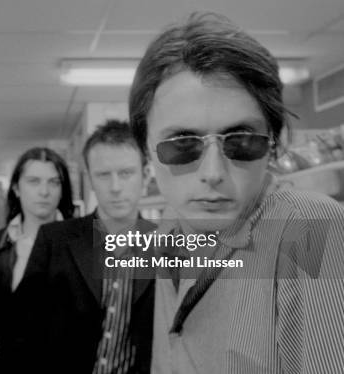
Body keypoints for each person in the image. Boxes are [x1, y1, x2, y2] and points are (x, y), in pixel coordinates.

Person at [128, 12, 344, 373]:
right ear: (145, 150)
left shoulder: (311, 231)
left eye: (242, 141)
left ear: (271, 145)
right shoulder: (171, 227)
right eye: (182, 145)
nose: (213, 174)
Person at [21, 121, 157, 373]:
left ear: (146, 175)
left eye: (126, 173)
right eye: (104, 175)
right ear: (90, 179)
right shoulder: (55, 240)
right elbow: (27, 327)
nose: (115, 187)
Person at [0, 147, 74, 364]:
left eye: (54, 182)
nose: (44, 192)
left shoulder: (83, 240)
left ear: (63, 190)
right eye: (34, 181)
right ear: (16, 188)